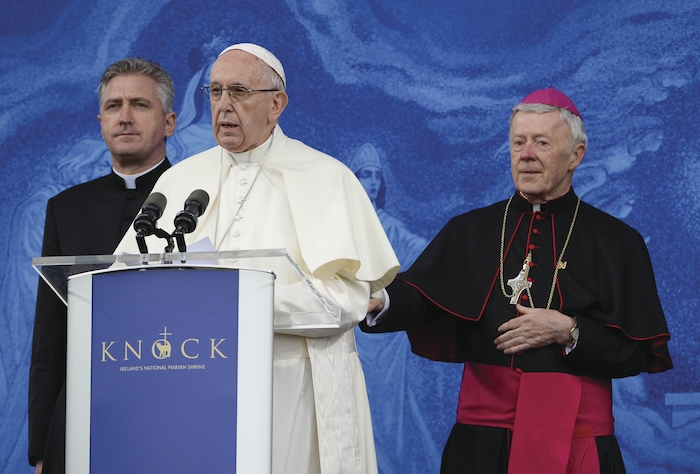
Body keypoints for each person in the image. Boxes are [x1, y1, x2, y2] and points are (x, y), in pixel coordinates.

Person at [115, 43, 399, 474]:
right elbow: (126, 284)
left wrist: (240, 305)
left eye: (239, 92)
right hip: (190, 388)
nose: (223, 106)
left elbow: (345, 303)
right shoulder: (180, 180)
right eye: (215, 92)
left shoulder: (326, 177)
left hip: (291, 393)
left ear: (276, 104)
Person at [362, 87, 673, 473]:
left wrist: (570, 330)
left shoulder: (616, 242)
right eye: (518, 142)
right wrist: (382, 301)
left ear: (576, 155)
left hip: (577, 439)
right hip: (482, 442)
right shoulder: (471, 231)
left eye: (541, 142)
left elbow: (638, 352)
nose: (526, 154)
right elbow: (423, 294)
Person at [28, 57, 177, 474]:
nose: (124, 117)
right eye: (113, 106)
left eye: (139, 105)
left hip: (172, 410)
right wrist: (41, 447)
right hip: (83, 414)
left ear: (169, 122)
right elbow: (49, 335)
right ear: (100, 121)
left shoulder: (199, 199)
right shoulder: (66, 208)